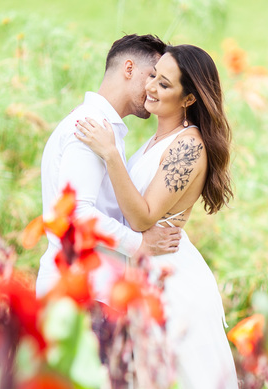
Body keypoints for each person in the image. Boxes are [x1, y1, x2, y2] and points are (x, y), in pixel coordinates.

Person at [74, 44, 242, 389]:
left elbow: (143, 216)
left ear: (189, 99)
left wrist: (110, 153)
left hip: (175, 282)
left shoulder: (189, 146)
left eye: (164, 84)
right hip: (148, 273)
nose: (150, 87)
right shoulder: (156, 141)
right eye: (153, 76)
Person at [34, 34, 182, 299]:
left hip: (89, 287)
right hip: (78, 289)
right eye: (152, 75)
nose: (154, 88)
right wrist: (140, 244)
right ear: (129, 69)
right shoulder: (90, 127)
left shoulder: (103, 130)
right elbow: (77, 212)